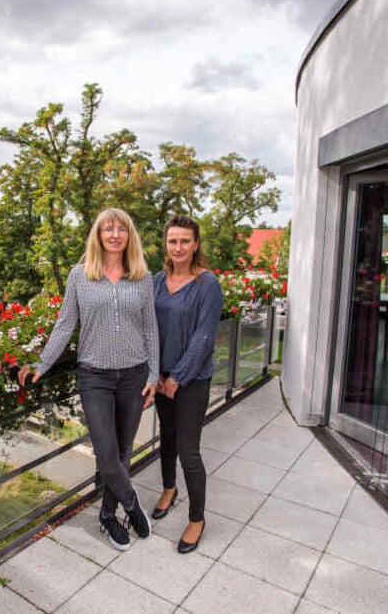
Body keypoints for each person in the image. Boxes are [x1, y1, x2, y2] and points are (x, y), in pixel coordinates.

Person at [19, 208, 159, 551]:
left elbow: (151, 328)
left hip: (134, 374)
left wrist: (154, 373)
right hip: (94, 376)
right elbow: (65, 324)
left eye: (121, 229)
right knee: (107, 453)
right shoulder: (79, 276)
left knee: (124, 452)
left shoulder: (142, 277)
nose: (114, 235)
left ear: (129, 236)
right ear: (97, 235)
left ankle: (108, 517)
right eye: (107, 229)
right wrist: (42, 364)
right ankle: (131, 503)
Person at [151, 215, 223, 554]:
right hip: (162, 378)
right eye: (172, 241)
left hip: (191, 380)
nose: (178, 247)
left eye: (184, 241)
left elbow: (204, 337)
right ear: (165, 244)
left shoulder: (208, 284)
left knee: (189, 451)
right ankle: (169, 489)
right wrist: (158, 375)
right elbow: (148, 329)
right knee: (167, 438)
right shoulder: (155, 281)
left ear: (196, 244)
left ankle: (197, 519)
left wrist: (178, 377)